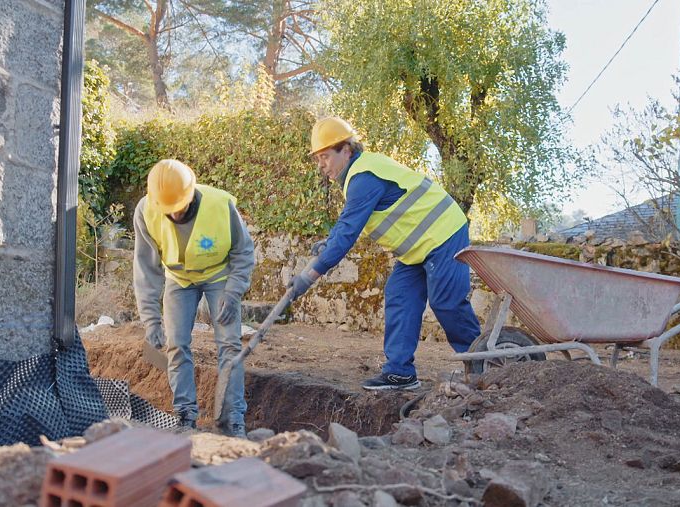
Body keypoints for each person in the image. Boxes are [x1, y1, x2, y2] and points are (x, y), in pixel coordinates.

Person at [288, 118, 482, 390]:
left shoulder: (364, 177)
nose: (321, 164)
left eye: (325, 156)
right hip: (417, 249)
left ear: (346, 150)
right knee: (400, 295)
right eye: (317, 158)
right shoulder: (356, 178)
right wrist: (328, 242)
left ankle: (483, 366)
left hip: (443, 234)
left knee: (445, 302)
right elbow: (349, 224)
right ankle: (400, 373)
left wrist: (308, 277)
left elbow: (346, 234)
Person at [133, 159, 254, 436]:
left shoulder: (220, 205)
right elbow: (146, 269)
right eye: (169, 211)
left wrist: (233, 292)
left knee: (230, 345)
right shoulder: (146, 211)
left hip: (218, 276)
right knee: (176, 345)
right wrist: (151, 320)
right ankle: (185, 416)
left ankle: (231, 419)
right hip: (178, 279)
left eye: (179, 208)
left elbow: (243, 252)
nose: (174, 215)